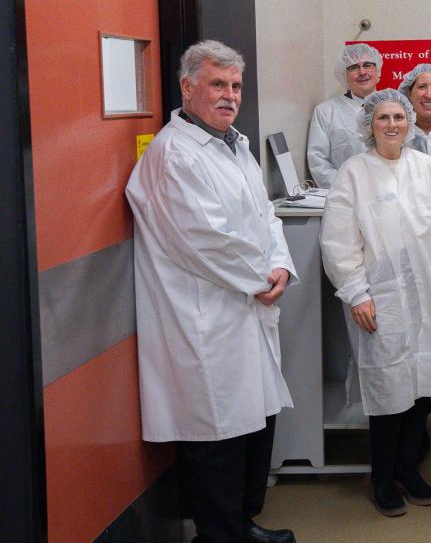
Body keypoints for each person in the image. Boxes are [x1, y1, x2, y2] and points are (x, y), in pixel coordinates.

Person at [125, 40, 297, 543]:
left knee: (252, 428)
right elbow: (205, 239)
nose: (229, 95)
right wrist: (262, 277)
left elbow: (267, 215)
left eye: (236, 86)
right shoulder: (173, 153)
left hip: (246, 306)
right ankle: (220, 535)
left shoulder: (233, 144)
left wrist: (281, 265)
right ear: (187, 87)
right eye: (217, 84)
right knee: (216, 437)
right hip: (205, 318)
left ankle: (241, 525)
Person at [320, 89, 431, 517]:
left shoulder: (426, 167)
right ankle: (382, 478)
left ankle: (408, 469)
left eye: (399, 116)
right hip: (381, 299)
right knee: (387, 389)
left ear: (408, 122)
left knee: (420, 387)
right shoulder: (354, 173)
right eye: (383, 117)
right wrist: (356, 293)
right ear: (369, 124)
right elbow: (339, 241)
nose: (392, 124)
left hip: (425, 292)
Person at [307, 43, 382, 188]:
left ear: (377, 70)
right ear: (344, 75)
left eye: (368, 65)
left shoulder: (395, 106)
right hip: (346, 195)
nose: (362, 72)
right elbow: (319, 163)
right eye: (353, 67)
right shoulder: (326, 112)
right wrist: (352, 187)